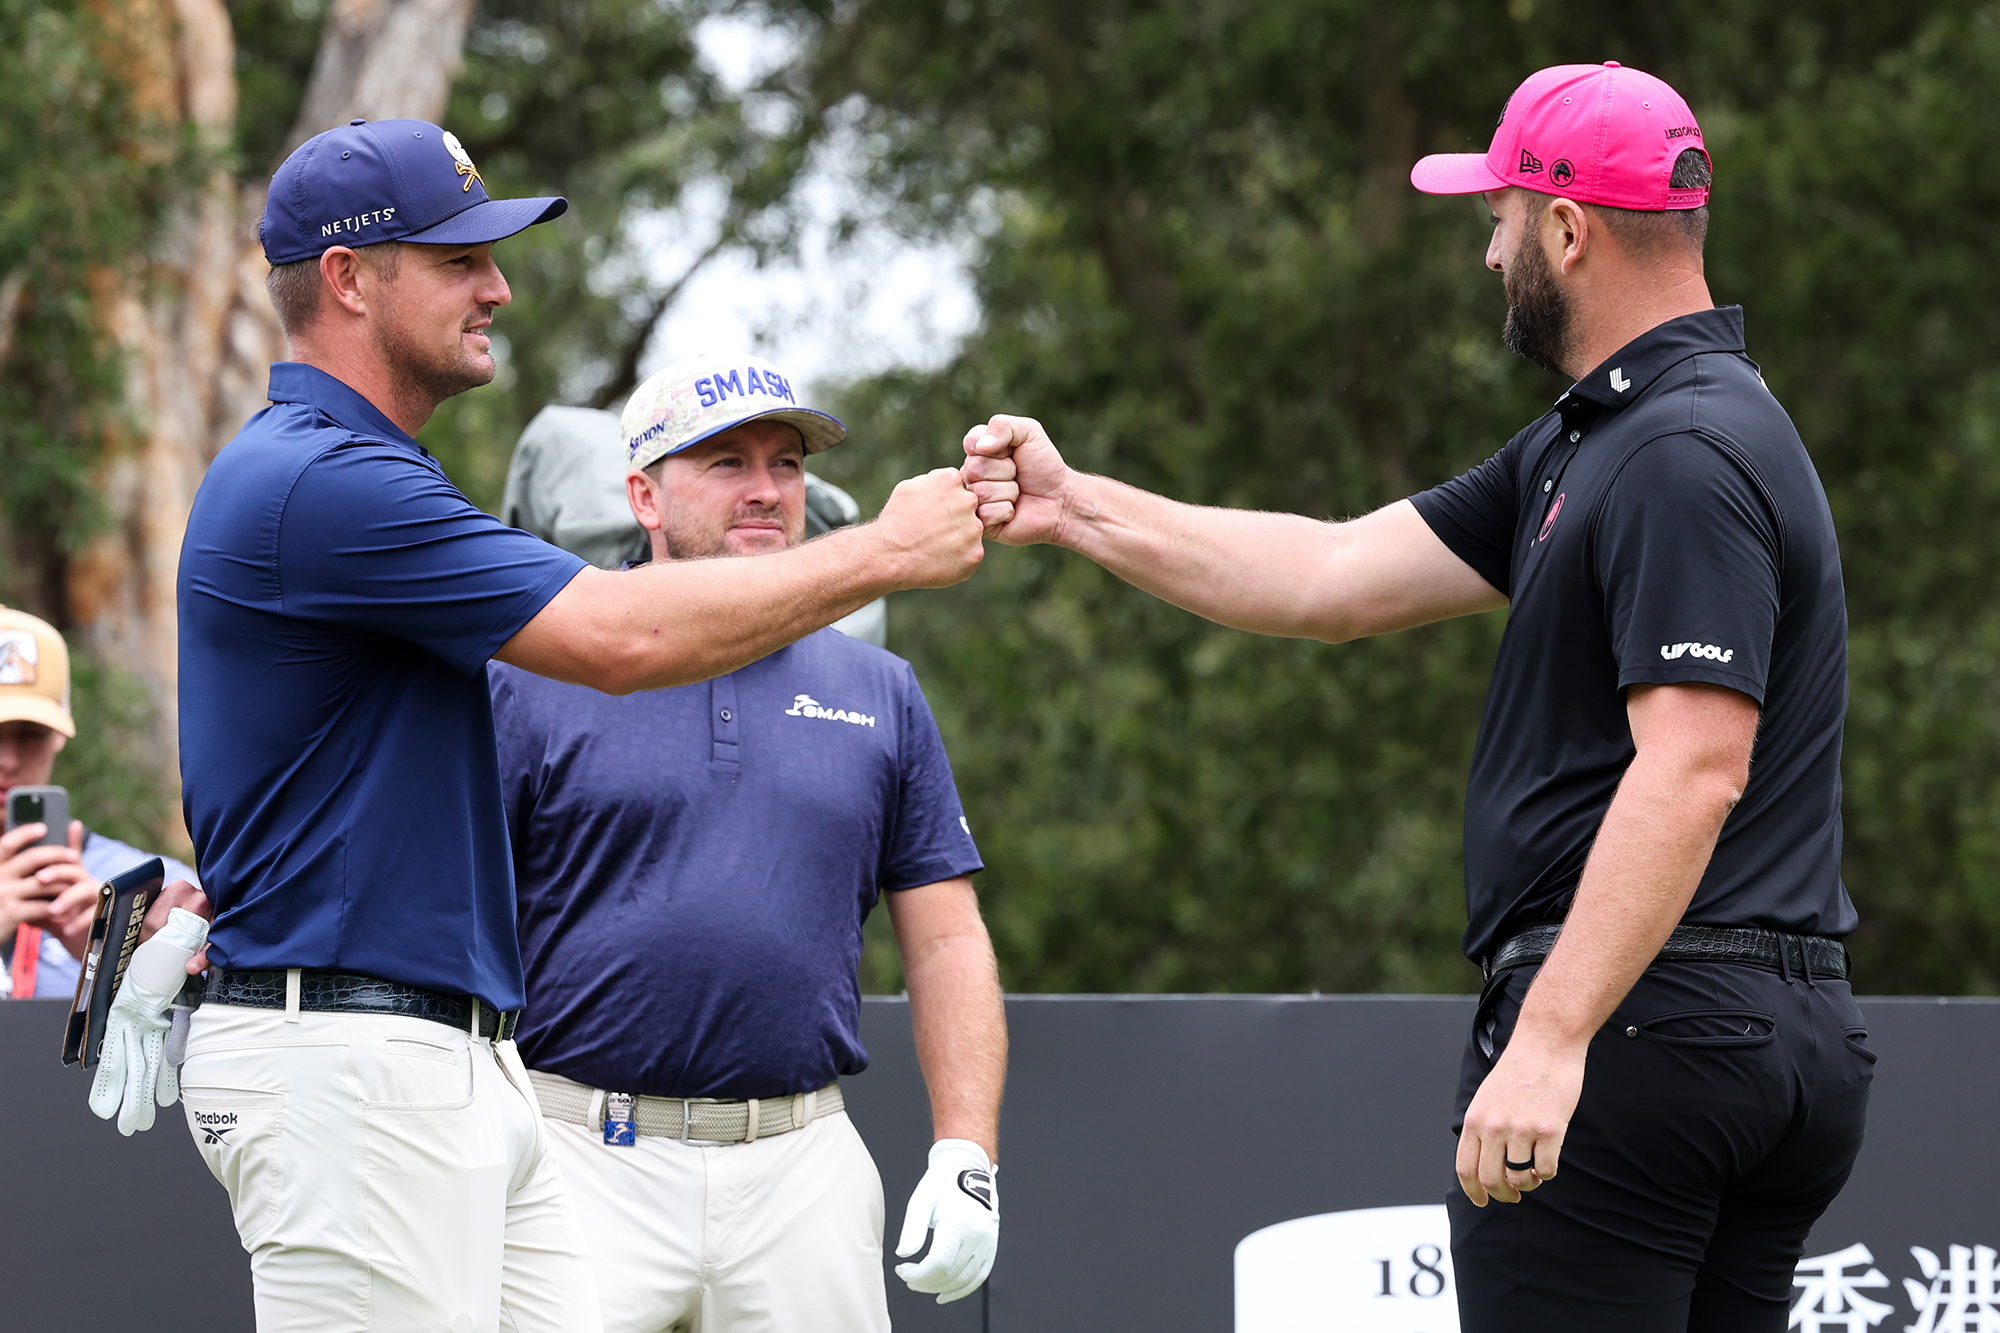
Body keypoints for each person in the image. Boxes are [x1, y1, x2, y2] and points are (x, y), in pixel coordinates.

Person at [963, 62, 1868, 1332]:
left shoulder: (1674, 451)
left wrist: (1550, 1039)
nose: (1487, 255)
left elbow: (1693, 765)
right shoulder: (1605, 435)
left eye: (1497, 218)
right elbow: (1332, 574)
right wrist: (1079, 510)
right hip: (1750, 1029)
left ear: (1566, 227)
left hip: (1637, 1026)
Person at [170, 118, 992, 1333]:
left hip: (433, 1060)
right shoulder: (325, 479)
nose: (496, 285)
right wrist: (885, 550)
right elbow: (620, 640)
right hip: (355, 1061)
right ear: (348, 278)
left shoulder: (365, 474)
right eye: (457, 259)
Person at [490, 351, 1006, 1332]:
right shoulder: (534, 671)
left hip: (799, 1162)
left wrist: (964, 1152)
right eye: (726, 462)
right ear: (643, 496)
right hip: (577, 1152)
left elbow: (943, 937)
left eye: (785, 463)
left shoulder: (878, 687)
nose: (766, 489)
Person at [0, 605, 199, 1000]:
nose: (7, 759)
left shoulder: (146, 889)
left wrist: (120, 962)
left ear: (61, 733)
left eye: (30, 733)